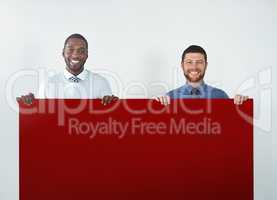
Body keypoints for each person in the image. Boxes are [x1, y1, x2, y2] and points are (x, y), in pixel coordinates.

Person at [17, 33, 118, 105]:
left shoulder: (100, 82)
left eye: (81, 51)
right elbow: (40, 120)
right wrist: (31, 103)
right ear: (63, 53)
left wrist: (114, 104)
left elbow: (107, 118)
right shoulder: (48, 83)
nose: (75, 55)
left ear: (87, 55)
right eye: (70, 50)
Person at [155, 45, 248, 105]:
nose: (194, 67)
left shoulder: (220, 96)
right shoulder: (169, 98)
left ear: (206, 65)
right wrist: (154, 105)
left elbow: (231, 129)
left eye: (199, 62)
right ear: (182, 65)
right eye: (189, 62)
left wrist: (241, 104)